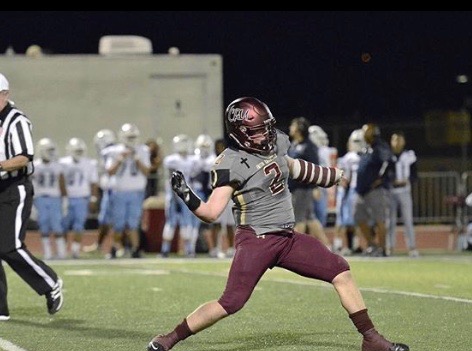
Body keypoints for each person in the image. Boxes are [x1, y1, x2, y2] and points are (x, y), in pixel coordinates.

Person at [147, 97, 409, 351]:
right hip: (256, 240)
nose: (268, 135)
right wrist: (187, 195)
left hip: (286, 238)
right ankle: (170, 338)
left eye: (268, 127)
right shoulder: (231, 162)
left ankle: (371, 339)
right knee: (231, 302)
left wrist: (329, 176)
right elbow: (212, 212)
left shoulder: (274, 144)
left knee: (341, 271)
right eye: (260, 130)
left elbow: (291, 166)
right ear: (242, 132)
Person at [0, 72, 63, 321]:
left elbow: (24, 156)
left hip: (14, 188)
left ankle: (50, 282)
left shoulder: (17, 120)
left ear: (5, 95)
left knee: (10, 245)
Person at [105, 123, 150, 258]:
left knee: (133, 223)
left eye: (133, 137)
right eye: (129, 137)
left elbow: (147, 171)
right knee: (118, 223)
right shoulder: (114, 151)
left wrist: (137, 159)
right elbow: (110, 171)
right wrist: (120, 159)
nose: (131, 139)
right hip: (119, 191)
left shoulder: (143, 150)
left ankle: (135, 249)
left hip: (136, 191)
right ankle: (114, 248)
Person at [288, 117, 330, 247]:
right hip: (295, 188)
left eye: (293, 126)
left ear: (299, 129)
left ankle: (293, 250)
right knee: (310, 219)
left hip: (303, 188)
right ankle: (327, 247)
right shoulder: (294, 145)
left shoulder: (309, 147)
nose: (290, 128)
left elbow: (314, 167)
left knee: (298, 219)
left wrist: (315, 187)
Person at [354, 123, 393, 257]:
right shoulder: (367, 148)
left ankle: (382, 249)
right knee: (358, 217)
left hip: (375, 190)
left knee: (379, 220)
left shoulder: (380, 147)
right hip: (361, 191)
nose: (363, 134)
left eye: (366, 132)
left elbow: (388, 162)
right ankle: (372, 245)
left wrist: (380, 178)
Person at [60, 137, 100, 259]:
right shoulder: (63, 163)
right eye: (76, 150)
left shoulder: (89, 163)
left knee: (79, 226)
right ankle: (63, 250)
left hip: (82, 198)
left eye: (80, 150)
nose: (78, 153)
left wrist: (93, 198)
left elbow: (94, 182)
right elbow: (60, 181)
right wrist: (63, 197)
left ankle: (75, 250)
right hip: (67, 198)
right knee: (63, 226)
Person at [32, 137, 68, 260]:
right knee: (44, 226)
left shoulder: (57, 166)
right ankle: (48, 252)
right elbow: (30, 185)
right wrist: (31, 203)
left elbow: (62, 184)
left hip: (54, 198)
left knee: (57, 225)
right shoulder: (35, 165)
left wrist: (65, 201)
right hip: (40, 198)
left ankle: (61, 252)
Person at [333, 128, 365, 255]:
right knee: (342, 219)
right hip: (346, 191)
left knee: (351, 220)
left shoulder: (357, 157)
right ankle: (339, 244)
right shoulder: (348, 158)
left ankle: (351, 245)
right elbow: (340, 177)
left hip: (351, 191)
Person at [387, 131, 419, 257]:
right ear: (391, 141)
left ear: (403, 141)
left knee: (408, 220)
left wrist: (408, 180)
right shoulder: (388, 155)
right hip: (391, 191)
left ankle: (412, 247)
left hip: (405, 190)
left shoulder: (409, 155)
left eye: (399, 140)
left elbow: (415, 174)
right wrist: (390, 181)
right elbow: (384, 173)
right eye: (394, 140)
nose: (397, 142)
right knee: (390, 221)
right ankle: (390, 247)